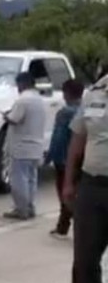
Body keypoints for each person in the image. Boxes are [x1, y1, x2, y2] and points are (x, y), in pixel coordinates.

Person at [50, 74, 108, 283]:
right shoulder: (94, 93)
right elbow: (78, 138)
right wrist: (69, 182)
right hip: (91, 185)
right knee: (84, 255)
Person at [2, 72, 47, 220]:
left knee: (19, 180)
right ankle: (29, 206)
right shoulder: (40, 100)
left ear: (22, 83)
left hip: (21, 147)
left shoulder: (23, 100)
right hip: (36, 146)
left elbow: (15, 119)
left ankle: (21, 209)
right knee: (31, 180)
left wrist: (6, 116)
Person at [45, 79, 84, 238]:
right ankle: (65, 226)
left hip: (64, 159)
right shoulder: (85, 110)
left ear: (66, 93)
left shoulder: (65, 113)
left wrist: (50, 156)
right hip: (82, 159)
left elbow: (59, 138)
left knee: (64, 194)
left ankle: (67, 226)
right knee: (77, 193)